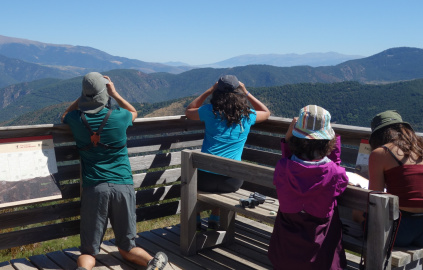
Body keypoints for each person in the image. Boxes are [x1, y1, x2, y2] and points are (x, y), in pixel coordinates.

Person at [62, 72, 167, 270]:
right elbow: (134, 111)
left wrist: (84, 97)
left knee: (88, 252)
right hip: (122, 186)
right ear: (105, 95)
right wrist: (115, 93)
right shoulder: (120, 117)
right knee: (127, 248)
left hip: (95, 188)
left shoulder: (76, 118)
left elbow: (63, 115)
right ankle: (152, 262)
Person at [268, 105, 348, 270]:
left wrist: (288, 136)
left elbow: (292, 163)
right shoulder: (335, 173)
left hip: (286, 253)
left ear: (295, 138)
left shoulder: (283, 167)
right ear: (328, 141)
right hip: (319, 254)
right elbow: (334, 170)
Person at [185, 75, 270, 229]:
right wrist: (247, 92)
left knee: (191, 178)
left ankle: (196, 218)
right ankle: (215, 215)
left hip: (205, 179)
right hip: (232, 181)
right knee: (223, 171)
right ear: (238, 91)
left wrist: (210, 90)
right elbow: (266, 112)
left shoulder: (209, 111)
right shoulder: (247, 115)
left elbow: (189, 110)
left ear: (218, 90)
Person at [368, 110, 423, 247]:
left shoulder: (381, 153)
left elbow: (375, 198)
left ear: (378, 135)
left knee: (355, 214)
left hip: (401, 227)